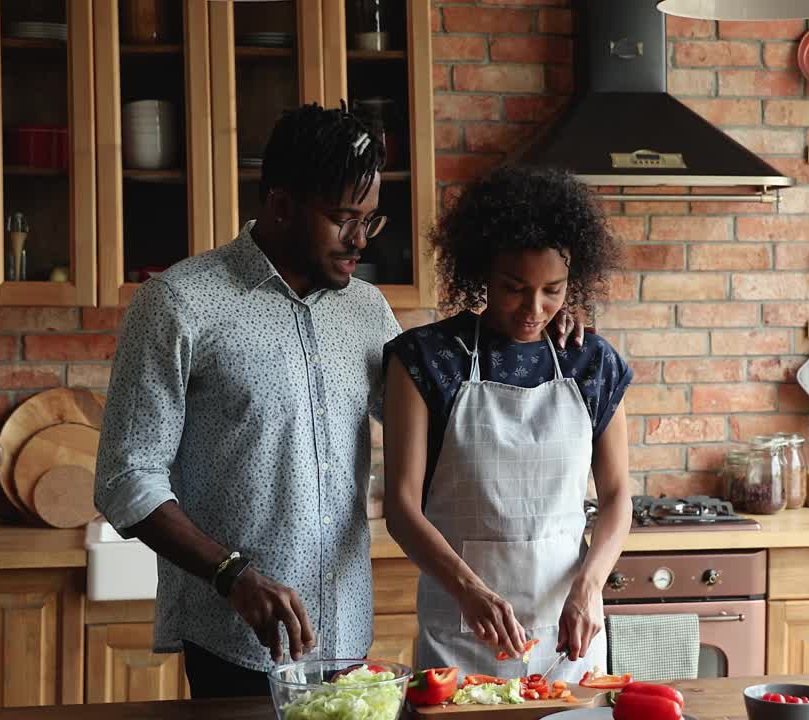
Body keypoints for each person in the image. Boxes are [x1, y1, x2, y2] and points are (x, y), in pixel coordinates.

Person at [94, 105, 587, 698]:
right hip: (233, 636)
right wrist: (233, 574)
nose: (360, 240)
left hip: (349, 635)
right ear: (280, 205)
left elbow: (439, 428)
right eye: (342, 219)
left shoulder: (368, 309)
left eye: (370, 221)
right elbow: (127, 477)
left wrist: (540, 325)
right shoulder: (181, 304)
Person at [381, 166, 634, 681]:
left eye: (553, 290)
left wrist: (589, 587)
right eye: (514, 287)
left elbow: (617, 497)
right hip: (461, 628)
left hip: (569, 628)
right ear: (481, 274)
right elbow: (402, 510)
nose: (534, 309)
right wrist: (468, 590)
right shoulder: (426, 359)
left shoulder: (591, 361)